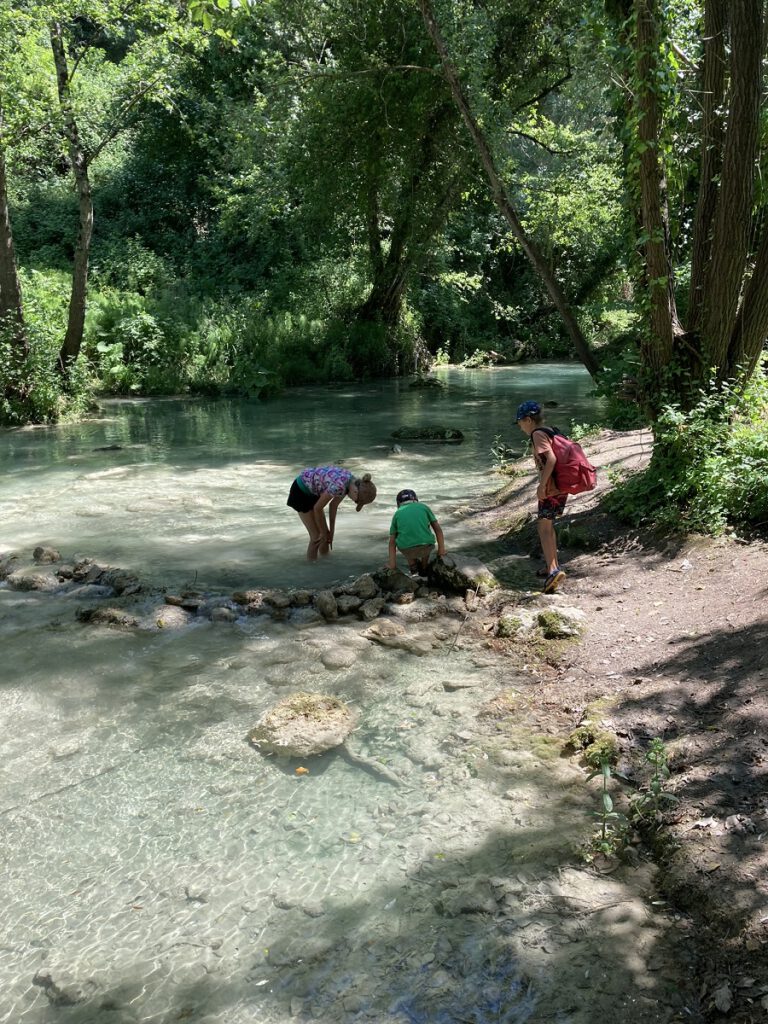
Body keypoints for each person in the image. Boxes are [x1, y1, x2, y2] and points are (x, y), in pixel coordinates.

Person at [514, 399, 566, 594]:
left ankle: (553, 570)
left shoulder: (537, 434)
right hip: (561, 486)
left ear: (528, 420)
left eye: (520, 423)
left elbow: (551, 459)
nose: (520, 427)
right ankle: (551, 565)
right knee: (548, 524)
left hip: (551, 489)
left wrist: (542, 485)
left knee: (543, 527)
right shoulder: (552, 430)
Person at [287, 466, 377, 560]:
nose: (353, 501)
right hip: (300, 491)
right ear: (355, 492)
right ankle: (311, 568)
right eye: (356, 501)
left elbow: (333, 506)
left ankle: (325, 563)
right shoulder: (339, 486)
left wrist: (331, 533)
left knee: (326, 537)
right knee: (316, 537)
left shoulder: (350, 482)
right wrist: (323, 532)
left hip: (313, 491)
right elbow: (317, 508)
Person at [388, 488, 446, 577]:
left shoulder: (397, 513)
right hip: (426, 546)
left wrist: (392, 565)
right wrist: (441, 551)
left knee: (403, 538)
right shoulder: (424, 507)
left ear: (398, 503)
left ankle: (413, 566)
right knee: (425, 536)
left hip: (407, 550)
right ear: (416, 500)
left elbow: (392, 541)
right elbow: (438, 529)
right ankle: (424, 566)